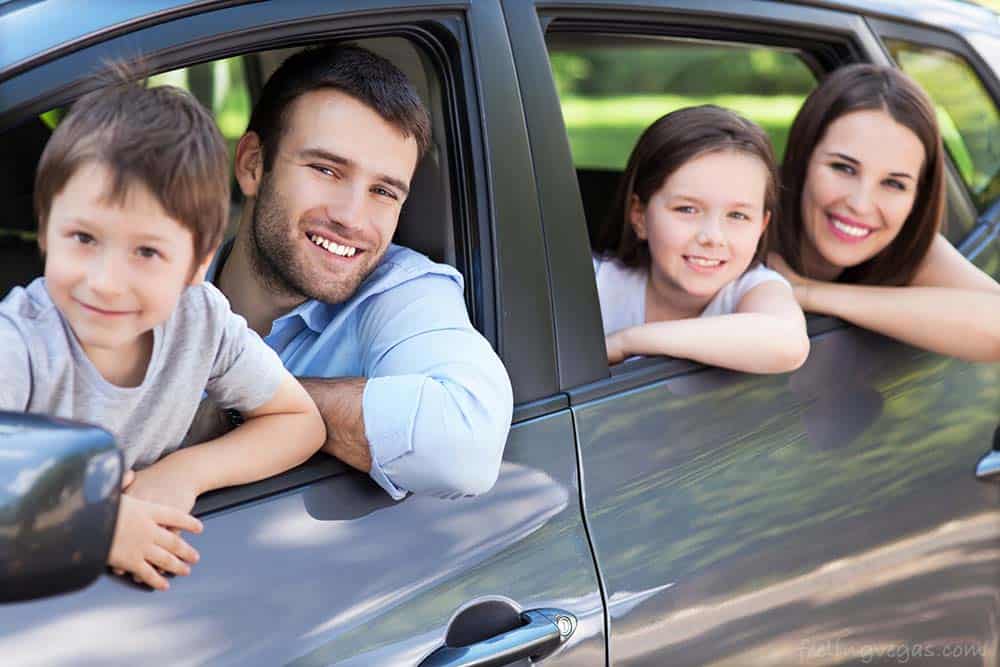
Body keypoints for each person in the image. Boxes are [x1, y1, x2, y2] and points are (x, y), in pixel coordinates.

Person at [0, 72, 326, 591]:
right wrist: (94, 526)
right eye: (83, 237)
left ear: (198, 260)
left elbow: (299, 421)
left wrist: (185, 473)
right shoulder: (19, 346)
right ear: (45, 228)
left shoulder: (200, 321)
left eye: (146, 252)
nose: (105, 283)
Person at [206, 45, 513, 500]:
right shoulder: (155, 279)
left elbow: (466, 445)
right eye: (326, 169)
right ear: (253, 165)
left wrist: (245, 400)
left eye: (383, 192)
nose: (352, 217)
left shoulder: (401, 290)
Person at [766, 64, 1000, 361]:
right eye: (843, 168)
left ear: (918, 196)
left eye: (893, 183)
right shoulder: (743, 224)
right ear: (803, 158)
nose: (861, 204)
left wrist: (808, 293)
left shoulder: (908, 245)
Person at [592, 105, 809, 373]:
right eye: (687, 209)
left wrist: (627, 341)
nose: (713, 237)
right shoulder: (597, 286)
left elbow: (788, 342)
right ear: (639, 215)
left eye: (738, 215)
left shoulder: (753, 288)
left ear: (761, 227)